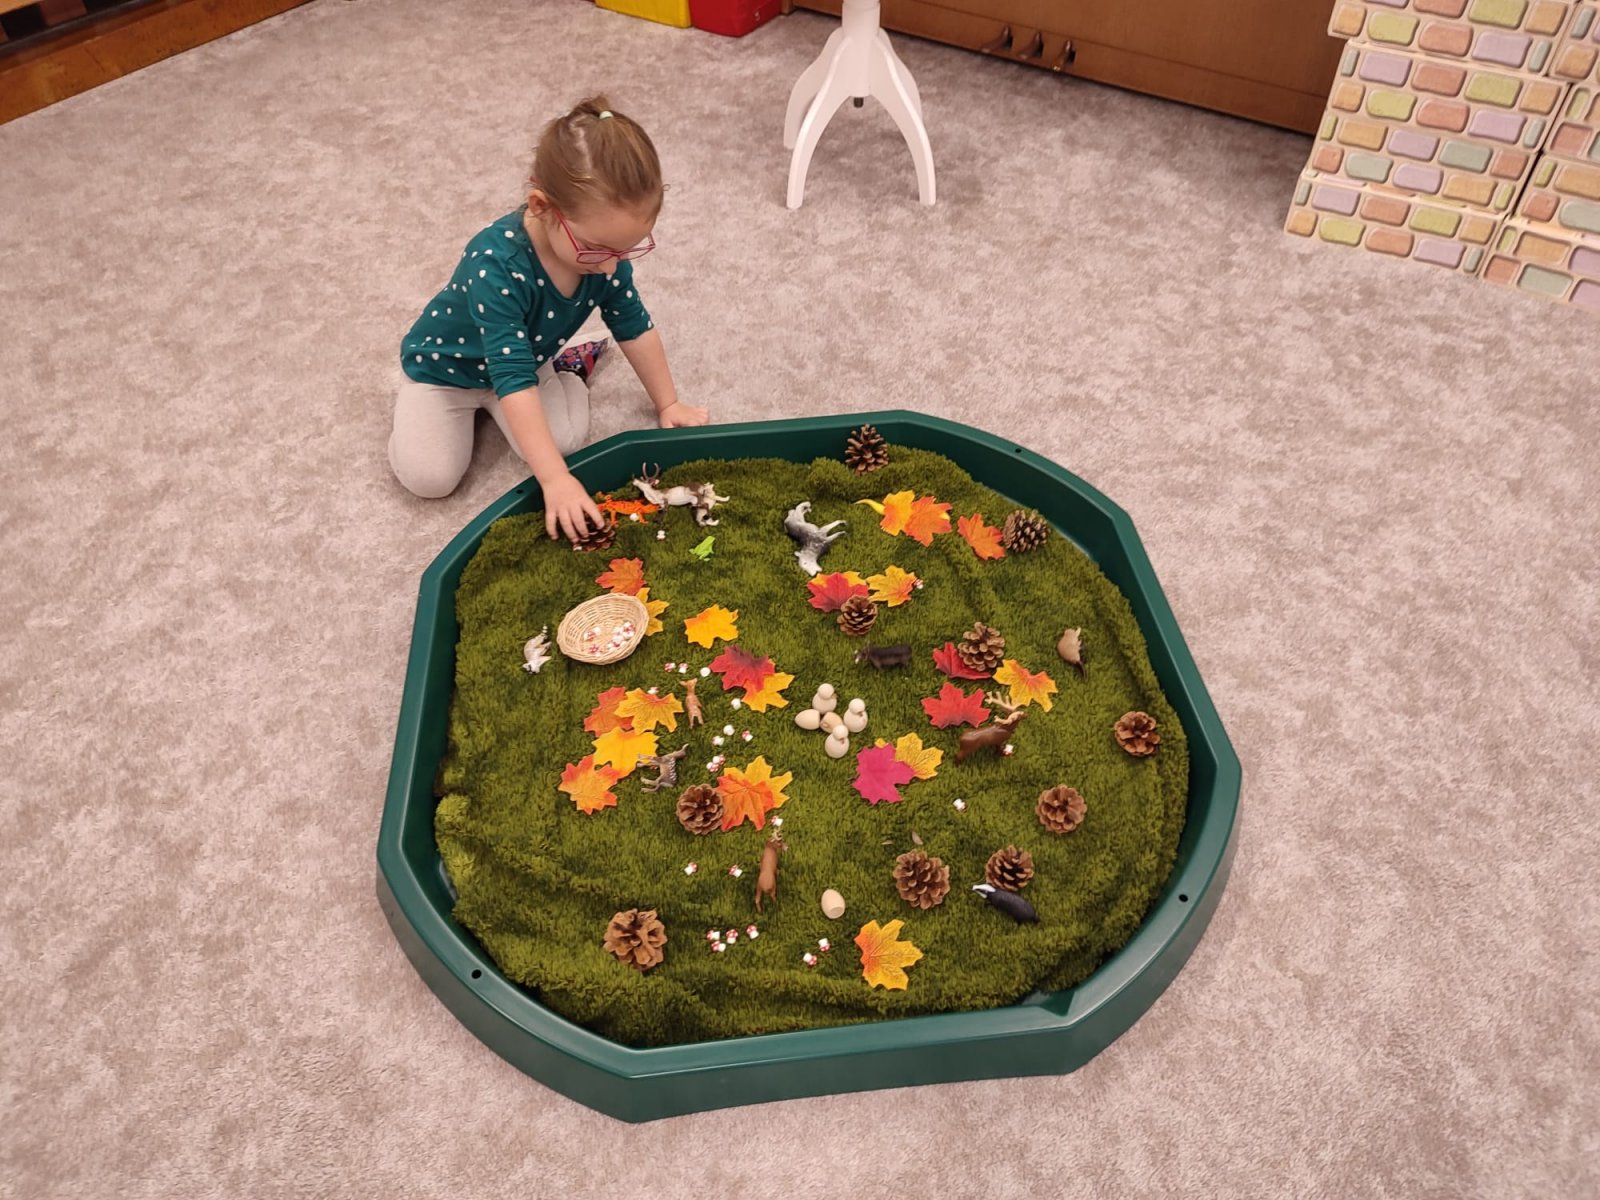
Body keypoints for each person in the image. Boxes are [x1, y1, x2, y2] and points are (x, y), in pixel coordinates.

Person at [389, 96, 708, 539]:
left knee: (565, 443)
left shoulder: (604, 258)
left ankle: (569, 366)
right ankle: (421, 403)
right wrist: (555, 481)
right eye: (597, 249)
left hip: (528, 358)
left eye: (626, 250)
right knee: (430, 478)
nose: (611, 266)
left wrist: (668, 403)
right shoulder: (495, 264)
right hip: (444, 372)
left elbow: (633, 324)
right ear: (541, 206)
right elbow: (511, 376)